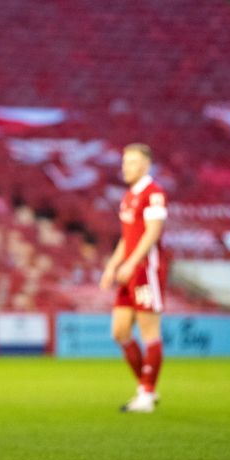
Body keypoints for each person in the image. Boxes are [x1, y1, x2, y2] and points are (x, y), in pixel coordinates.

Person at [99, 143, 167, 413]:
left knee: (150, 332)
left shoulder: (154, 193)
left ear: (146, 165)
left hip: (146, 270)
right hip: (129, 269)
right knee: (120, 331)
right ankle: (145, 387)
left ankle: (146, 395)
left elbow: (153, 233)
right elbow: (127, 239)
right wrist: (112, 266)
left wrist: (132, 263)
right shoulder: (128, 196)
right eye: (125, 161)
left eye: (132, 162)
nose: (125, 167)